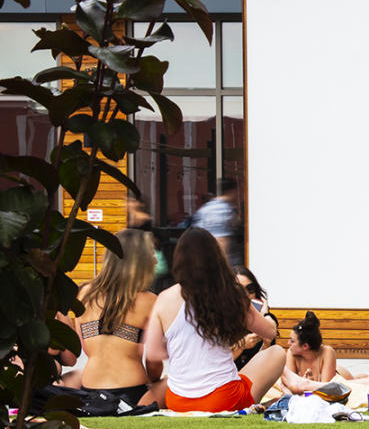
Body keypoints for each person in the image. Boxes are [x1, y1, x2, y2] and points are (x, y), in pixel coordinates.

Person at [145, 227, 287, 413]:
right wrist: (265, 314)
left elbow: (153, 353)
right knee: (277, 352)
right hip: (224, 399)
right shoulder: (230, 294)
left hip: (178, 400)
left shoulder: (164, 298)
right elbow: (269, 332)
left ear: (179, 259)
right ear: (216, 258)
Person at [60, 228, 165, 408]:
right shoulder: (149, 300)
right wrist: (152, 381)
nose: (155, 260)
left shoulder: (84, 294)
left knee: (75, 375)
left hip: (91, 391)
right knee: (170, 383)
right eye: (151, 254)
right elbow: (154, 363)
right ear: (138, 261)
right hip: (133, 393)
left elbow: (84, 347)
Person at [279, 311, 343, 394]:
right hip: (310, 384)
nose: (288, 344)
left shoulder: (327, 352)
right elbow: (290, 384)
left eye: (292, 341)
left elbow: (327, 389)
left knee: (356, 381)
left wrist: (308, 385)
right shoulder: (291, 353)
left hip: (339, 371)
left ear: (305, 346)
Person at [232, 265, 281, 369]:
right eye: (239, 290)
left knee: (278, 353)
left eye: (250, 289)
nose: (245, 295)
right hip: (226, 378)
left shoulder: (266, 320)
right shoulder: (219, 320)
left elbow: (264, 368)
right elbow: (215, 364)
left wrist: (266, 345)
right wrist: (242, 345)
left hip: (254, 376)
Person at [191, 177, 242, 265]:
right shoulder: (226, 210)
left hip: (206, 258)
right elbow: (222, 239)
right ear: (232, 191)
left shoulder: (204, 209)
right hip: (224, 261)